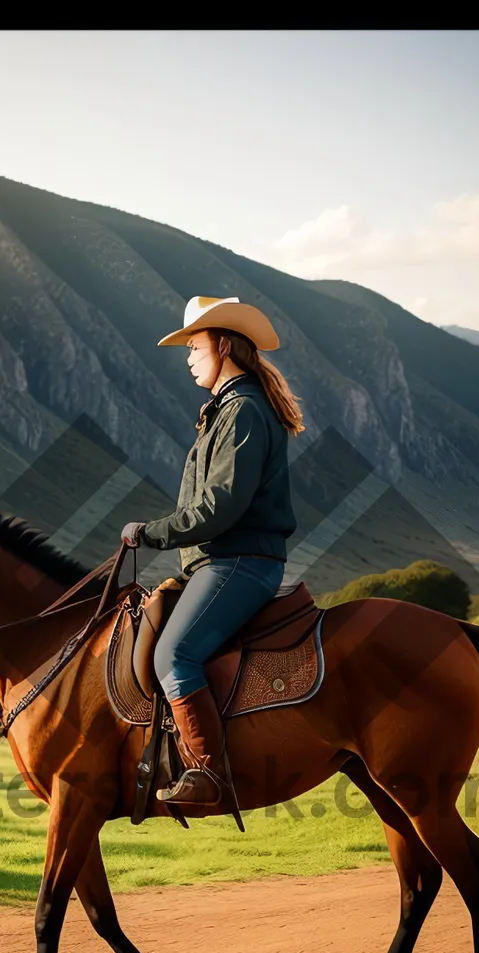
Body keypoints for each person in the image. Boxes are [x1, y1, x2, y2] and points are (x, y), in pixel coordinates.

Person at [120, 295, 304, 810]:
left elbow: (221, 505)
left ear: (224, 346)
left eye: (195, 346)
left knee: (173, 655)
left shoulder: (242, 410)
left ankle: (206, 772)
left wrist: (151, 532)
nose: (188, 357)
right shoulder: (229, 409)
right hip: (223, 561)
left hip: (238, 561)